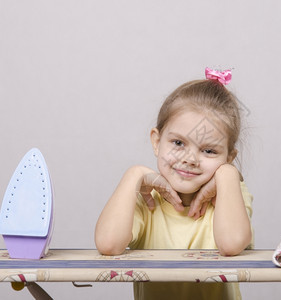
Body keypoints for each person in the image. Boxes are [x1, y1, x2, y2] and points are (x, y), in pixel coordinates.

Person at [95, 68, 253, 300]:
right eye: (178, 143)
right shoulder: (145, 199)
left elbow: (231, 244)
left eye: (209, 150)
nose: (189, 159)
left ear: (228, 157)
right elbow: (108, 244)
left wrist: (228, 174)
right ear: (157, 142)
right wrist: (133, 174)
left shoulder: (230, 194)